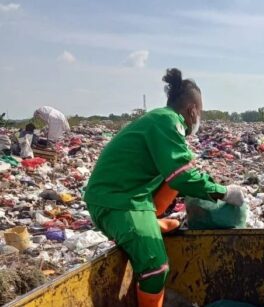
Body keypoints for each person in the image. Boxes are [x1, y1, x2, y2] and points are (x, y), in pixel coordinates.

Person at [84, 68, 244, 307]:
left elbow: (177, 175)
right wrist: (224, 192)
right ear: (192, 110)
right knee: (156, 267)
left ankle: (150, 220)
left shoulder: (161, 119)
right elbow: (183, 178)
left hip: (130, 196)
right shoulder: (167, 121)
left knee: (178, 168)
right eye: (199, 112)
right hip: (116, 201)